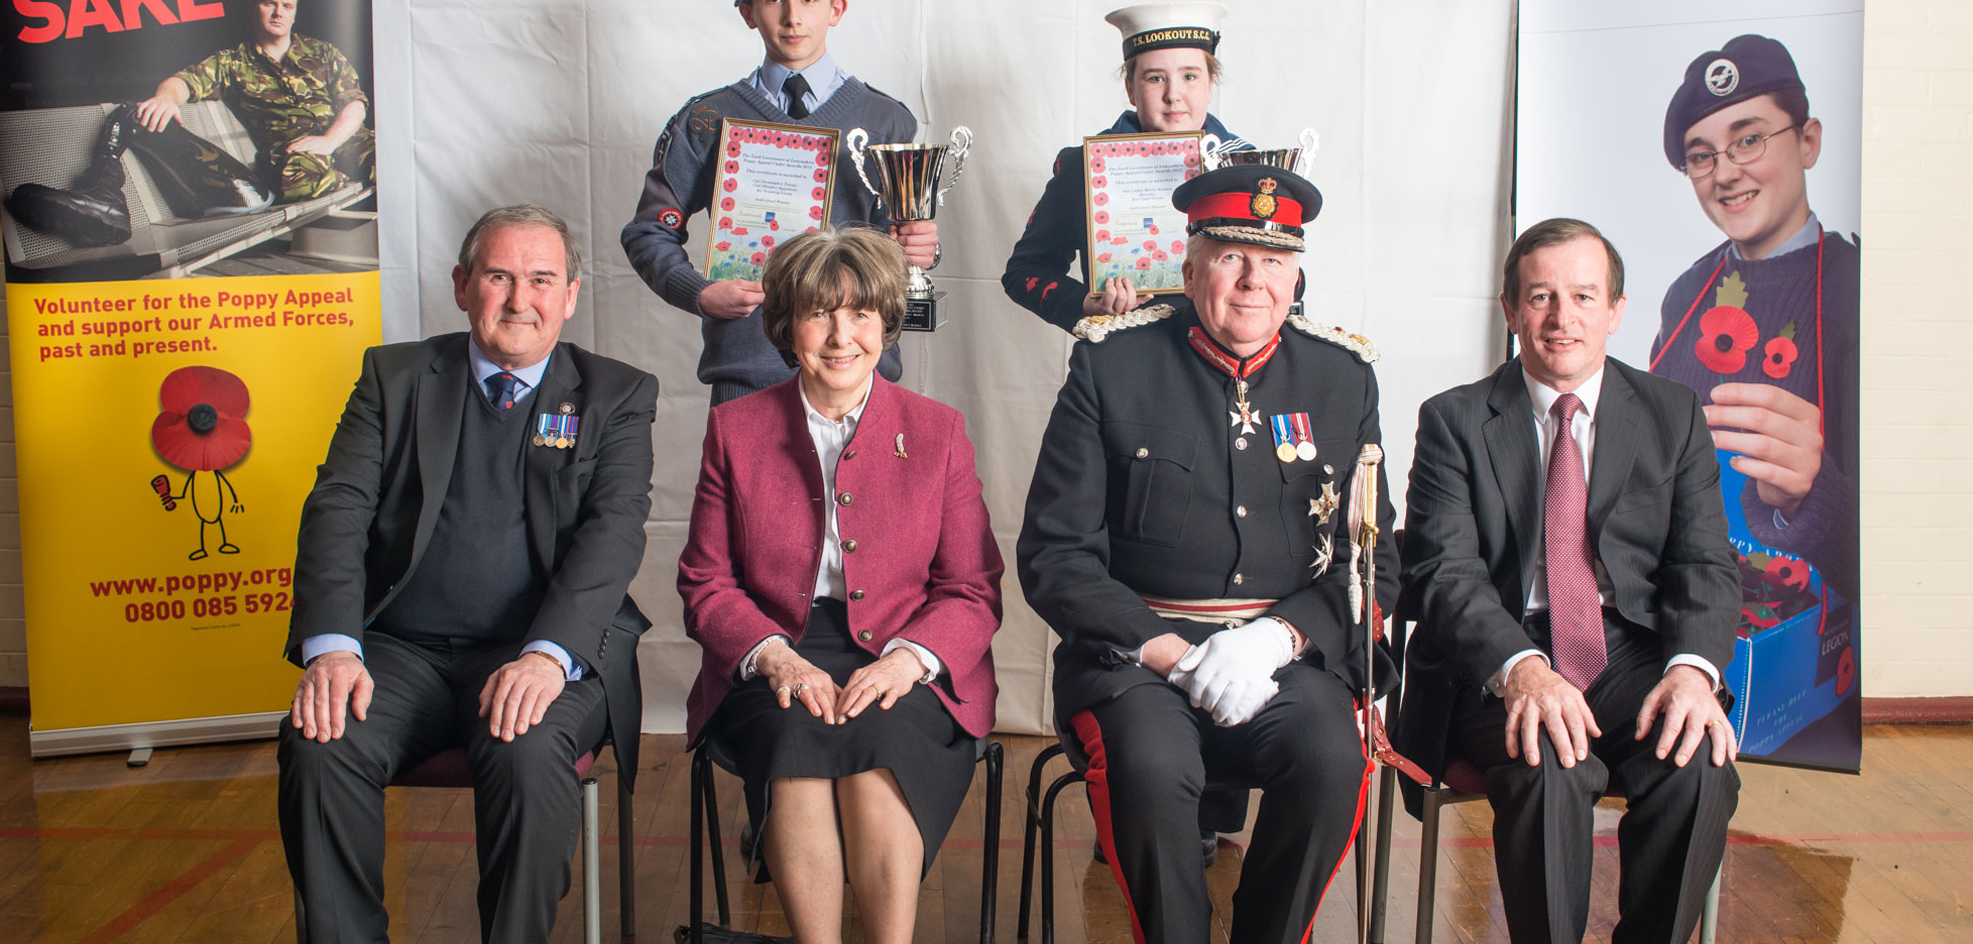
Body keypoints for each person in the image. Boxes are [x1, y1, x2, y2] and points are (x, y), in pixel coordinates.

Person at [1017, 164, 1398, 944]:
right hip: (1139, 659)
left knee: (1332, 760)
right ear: (1189, 270)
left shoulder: (1342, 378)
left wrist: (1276, 639)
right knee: (1152, 770)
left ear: (1297, 278)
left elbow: (1373, 564)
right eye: (1230, 257)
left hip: (1283, 658)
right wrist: (1174, 656)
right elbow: (1056, 555)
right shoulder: (1111, 365)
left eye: (1276, 261)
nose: (1254, 281)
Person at [279, 204, 657, 944]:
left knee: (526, 752)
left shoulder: (616, 394)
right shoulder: (395, 378)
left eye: (542, 280)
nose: (521, 299)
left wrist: (549, 657)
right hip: (400, 653)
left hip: (541, 650)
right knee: (320, 743)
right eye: (499, 276)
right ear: (461, 286)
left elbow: (613, 534)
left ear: (571, 296)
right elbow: (337, 509)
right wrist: (331, 648)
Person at [1396, 218, 1741, 944]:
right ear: (1511, 309)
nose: (1563, 317)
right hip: (1495, 658)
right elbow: (1444, 574)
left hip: (1628, 652)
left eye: (1584, 296)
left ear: (1616, 310)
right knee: (1547, 763)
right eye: (1542, 296)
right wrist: (1522, 669)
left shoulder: (1672, 416)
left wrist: (1693, 672)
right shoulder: (1454, 421)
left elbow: (1705, 562)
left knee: (1699, 760)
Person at [678, 226, 1003, 944]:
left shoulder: (938, 430)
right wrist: (775, 657)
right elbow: (705, 581)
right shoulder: (735, 429)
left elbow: (973, 587)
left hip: (906, 648)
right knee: (796, 731)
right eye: (819, 312)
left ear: (886, 324)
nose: (840, 335)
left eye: (859, 313)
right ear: (785, 327)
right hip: (777, 651)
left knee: (878, 738)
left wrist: (907, 661)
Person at [622, 0, 936, 404]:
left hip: (855, 371)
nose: (793, 17)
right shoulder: (708, 120)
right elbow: (649, 232)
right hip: (747, 368)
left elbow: (900, 243)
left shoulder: (885, 120)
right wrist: (699, 292)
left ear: (836, 9)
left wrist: (920, 247)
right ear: (749, 13)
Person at [1652, 33, 1858, 601]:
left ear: (1808, 141)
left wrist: (1810, 495)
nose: (1725, 173)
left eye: (1749, 139)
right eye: (1703, 155)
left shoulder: (1862, 291)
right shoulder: (1686, 294)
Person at [1003, 2, 1246, 333]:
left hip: (1226, 360)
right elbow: (1024, 273)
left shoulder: (1246, 165)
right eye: (1155, 78)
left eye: (1190, 76)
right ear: (1131, 89)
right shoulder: (1085, 167)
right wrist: (1088, 305)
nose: (1173, 95)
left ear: (1211, 83)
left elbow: (1290, 278)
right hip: (1124, 358)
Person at [136, 0, 375, 203]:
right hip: (295, 153)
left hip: (343, 138)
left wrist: (329, 142)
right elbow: (184, 81)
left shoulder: (323, 52)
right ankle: (342, 177)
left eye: (287, 6)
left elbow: (354, 105)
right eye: (269, 4)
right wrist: (165, 98)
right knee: (297, 181)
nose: (278, 13)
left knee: (393, 159)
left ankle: (341, 176)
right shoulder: (232, 62)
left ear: (294, 12)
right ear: (252, 7)